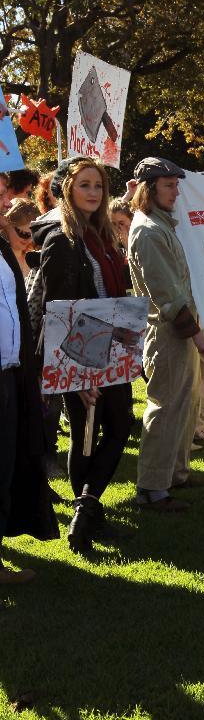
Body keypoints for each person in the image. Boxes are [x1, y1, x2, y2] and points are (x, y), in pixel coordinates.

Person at [31, 157, 134, 551]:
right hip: (78, 348)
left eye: (98, 186)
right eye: (84, 185)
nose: (93, 192)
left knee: (120, 425)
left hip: (111, 345)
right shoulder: (62, 238)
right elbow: (58, 308)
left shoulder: (103, 235)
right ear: (67, 191)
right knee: (85, 433)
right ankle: (88, 516)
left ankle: (86, 510)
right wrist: (77, 374)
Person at [128, 157, 204, 510]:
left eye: (176, 185)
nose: (176, 192)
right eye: (169, 185)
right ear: (149, 190)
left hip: (180, 330)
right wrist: (197, 334)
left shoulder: (163, 224)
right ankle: (151, 488)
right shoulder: (148, 230)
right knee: (165, 408)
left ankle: (174, 474)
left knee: (184, 405)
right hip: (168, 333)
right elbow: (167, 293)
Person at [0, 173, 58, 583]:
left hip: (10, 375)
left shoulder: (3, 247)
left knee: (5, 466)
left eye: (3, 189)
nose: (4, 196)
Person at [1, 199, 39, 278]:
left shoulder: (35, 257)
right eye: (24, 234)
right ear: (8, 227)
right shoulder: (2, 258)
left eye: (34, 235)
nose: (30, 240)